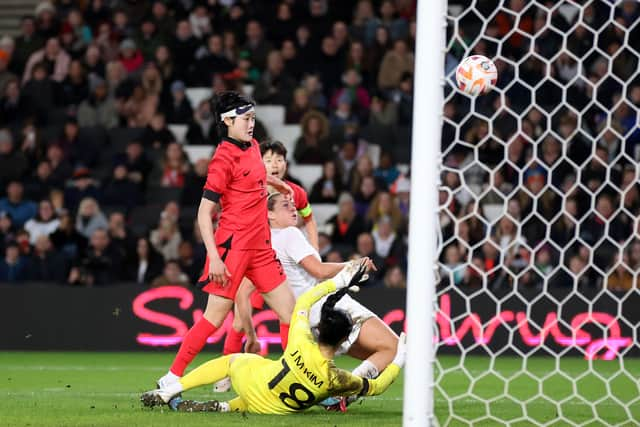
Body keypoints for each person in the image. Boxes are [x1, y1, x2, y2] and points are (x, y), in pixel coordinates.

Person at [154, 91, 296, 391]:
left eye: (253, 118)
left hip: (260, 246)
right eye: (246, 119)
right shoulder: (222, 159)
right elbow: (204, 213)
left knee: (291, 314)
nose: (251, 124)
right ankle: (172, 376)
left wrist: (275, 182)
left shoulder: (254, 146)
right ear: (228, 121)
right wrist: (214, 258)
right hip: (230, 248)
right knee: (214, 318)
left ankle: (295, 379)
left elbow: (254, 176)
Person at [141, 259, 407, 415]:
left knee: (235, 362)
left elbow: (304, 300)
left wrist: (338, 283)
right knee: (273, 388)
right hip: (271, 408)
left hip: (255, 387)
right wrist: (400, 358)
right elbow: (378, 386)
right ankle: (225, 406)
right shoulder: (336, 379)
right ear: (343, 342)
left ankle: (172, 389)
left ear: (321, 330)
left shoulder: (301, 340)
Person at [236, 193, 399, 411]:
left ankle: (341, 395)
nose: (293, 209)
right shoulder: (289, 235)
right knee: (394, 348)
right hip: (329, 306)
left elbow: (241, 294)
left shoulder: (262, 247)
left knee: (377, 353)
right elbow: (318, 270)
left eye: (293, 205)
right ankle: (346, 395)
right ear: (270, 214)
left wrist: (251, 335)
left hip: (307, 324)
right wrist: (353, 265)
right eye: (285, 206)